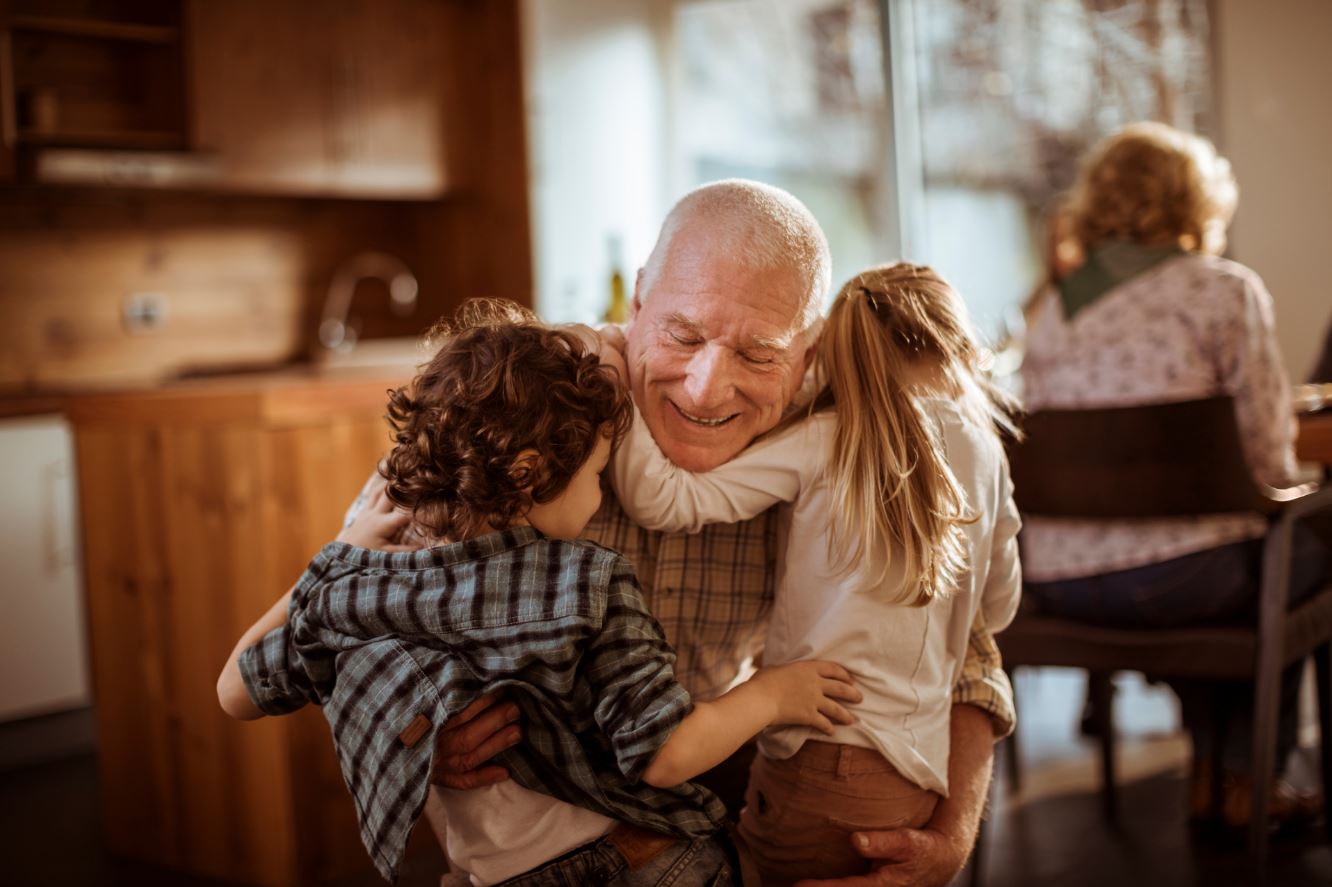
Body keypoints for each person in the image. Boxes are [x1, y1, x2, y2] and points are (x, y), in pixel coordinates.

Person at [340, 180, 1017, 887]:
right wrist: (415, 730)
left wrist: (949, 834)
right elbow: (342, 608)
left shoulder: (831, 436)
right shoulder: (524, 395)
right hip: (514, 852)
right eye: (683, 335)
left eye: (758, 355)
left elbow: (966, 646)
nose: (705, 387)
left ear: (808, 354)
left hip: (706, 814)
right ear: (636, 303)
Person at [216, 302, 861, 885]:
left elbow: (234, 691)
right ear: (530, 474)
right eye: (597, 475)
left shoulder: (365, 582)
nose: (602, 495)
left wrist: (336, 560)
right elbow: (664, 753)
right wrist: (775, 693)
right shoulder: (587, 583)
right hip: (645, 865)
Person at [604, 263, 1021, 884]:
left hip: (816, 754)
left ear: (829, 354)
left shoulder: (829, 437)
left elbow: (662, 500)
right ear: (959, 343)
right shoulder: (987, 452)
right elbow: (1000, 607)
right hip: (915, 774)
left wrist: (614, 369)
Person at [1019, 122, 1331, 830]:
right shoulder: (1224, 290)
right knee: (1290, 551)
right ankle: (1253, 779)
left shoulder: (1053, 312)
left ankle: (1210, 777)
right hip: (1181, 582)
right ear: (1197, 202)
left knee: (1223, 559)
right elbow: (1265, 456)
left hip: (1060, 582)